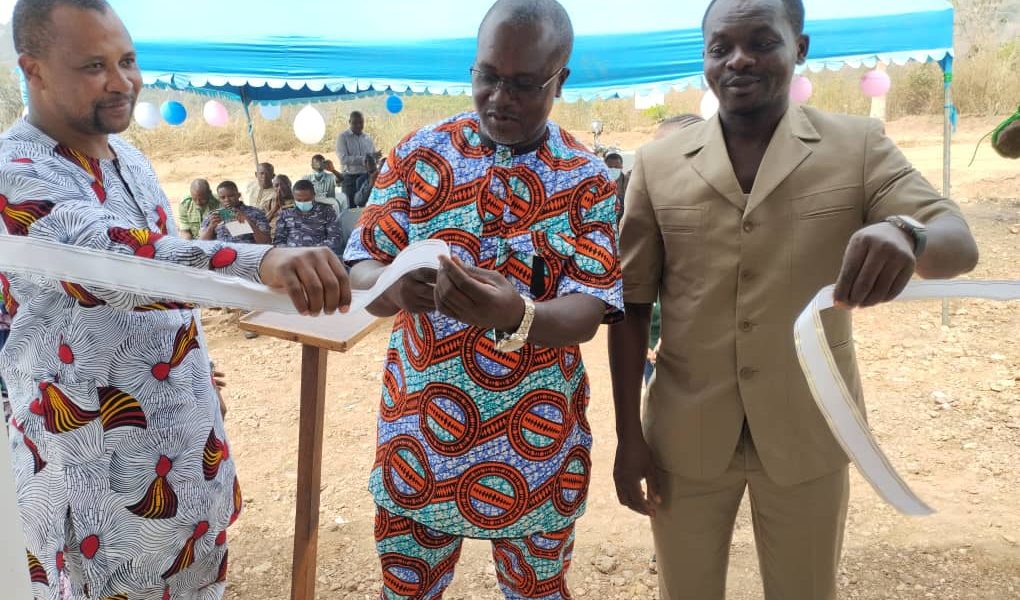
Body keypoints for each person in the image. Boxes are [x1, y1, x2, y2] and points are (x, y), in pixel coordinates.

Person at [609, 1, 979, 599]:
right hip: (685, 433)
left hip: (811, 427)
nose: (739, 60)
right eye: (720, 47)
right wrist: (629, 435)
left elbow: (958, 243)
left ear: (800, 47)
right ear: (703, 56)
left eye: (762, 41)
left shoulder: (855, 146)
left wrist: (907, 233)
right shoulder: (656, 165)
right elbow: (628, 307)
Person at [0, 1, 352, 598]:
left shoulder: (128, 159)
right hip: (98, 486)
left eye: (128, 60)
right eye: (95, 66)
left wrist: (186, 365)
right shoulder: (17, 173)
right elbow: (116, 262)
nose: (122, 82)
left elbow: (162, 276)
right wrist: (261, 260)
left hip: (187, 462)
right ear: (32, 70)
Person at [344, 1, 622, 597]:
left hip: (537, 448)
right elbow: (361, 266)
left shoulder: (586, 178)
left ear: (560, 80)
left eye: (524, 84)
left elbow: (588, 312)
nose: (500, 98)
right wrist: (390, 284)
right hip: (421, 437)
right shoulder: (420, 155)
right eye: (487, 76)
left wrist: (519, 316)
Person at [273, 179, 343, 256]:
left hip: (318, 256)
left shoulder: (327, 211)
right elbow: (278, 242)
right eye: (298, 200)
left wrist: (309, 251)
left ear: (313, 196)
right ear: (293, 196)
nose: (302, 203)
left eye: (306, 200)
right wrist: (292, 252)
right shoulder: (285, 213)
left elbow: (335, 240)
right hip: (291, 256)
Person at [199, 180, 271, 244]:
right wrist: (211, 227)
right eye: (223, 197)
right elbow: (201, 243)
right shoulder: (213, 216)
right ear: (219, 199)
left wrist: (248, 222)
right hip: (221, 253)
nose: (227, 200)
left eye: (231, 196)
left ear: (238, 195)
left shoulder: (256, 213)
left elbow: (266, 242)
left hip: (247, 254)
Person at [336, 110, 380, 207]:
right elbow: (343, 158)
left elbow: (372, 158)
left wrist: (375, 157)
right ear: (349, 122)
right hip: (349, 178)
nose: (359, 125)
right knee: (351, 207)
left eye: (361, 122)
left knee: (365, 207)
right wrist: (363, 159)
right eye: (355, 122)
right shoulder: (343, 137)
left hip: (366, 177)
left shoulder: (368, 138)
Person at [603, 151, 627, 220]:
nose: (613, 169)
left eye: (616, 166)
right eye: (610, 167)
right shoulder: (599, 182)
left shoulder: (628, 182)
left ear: (621, 166)